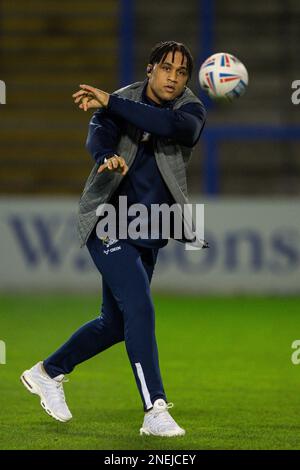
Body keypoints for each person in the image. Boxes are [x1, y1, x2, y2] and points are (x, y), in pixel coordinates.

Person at [20, 41, 207, 437]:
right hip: (108, 222)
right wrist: (105, 154)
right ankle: (154, 409)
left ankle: (47, 372)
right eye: (166, 68)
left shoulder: (189, 108)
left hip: (151, 227)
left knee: (115, 323)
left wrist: (111, 103)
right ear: (150, 69)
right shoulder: (118, 101)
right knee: (140, 308)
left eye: (181, 72)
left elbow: (176, 129)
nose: (173, 77)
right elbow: (98, 136)